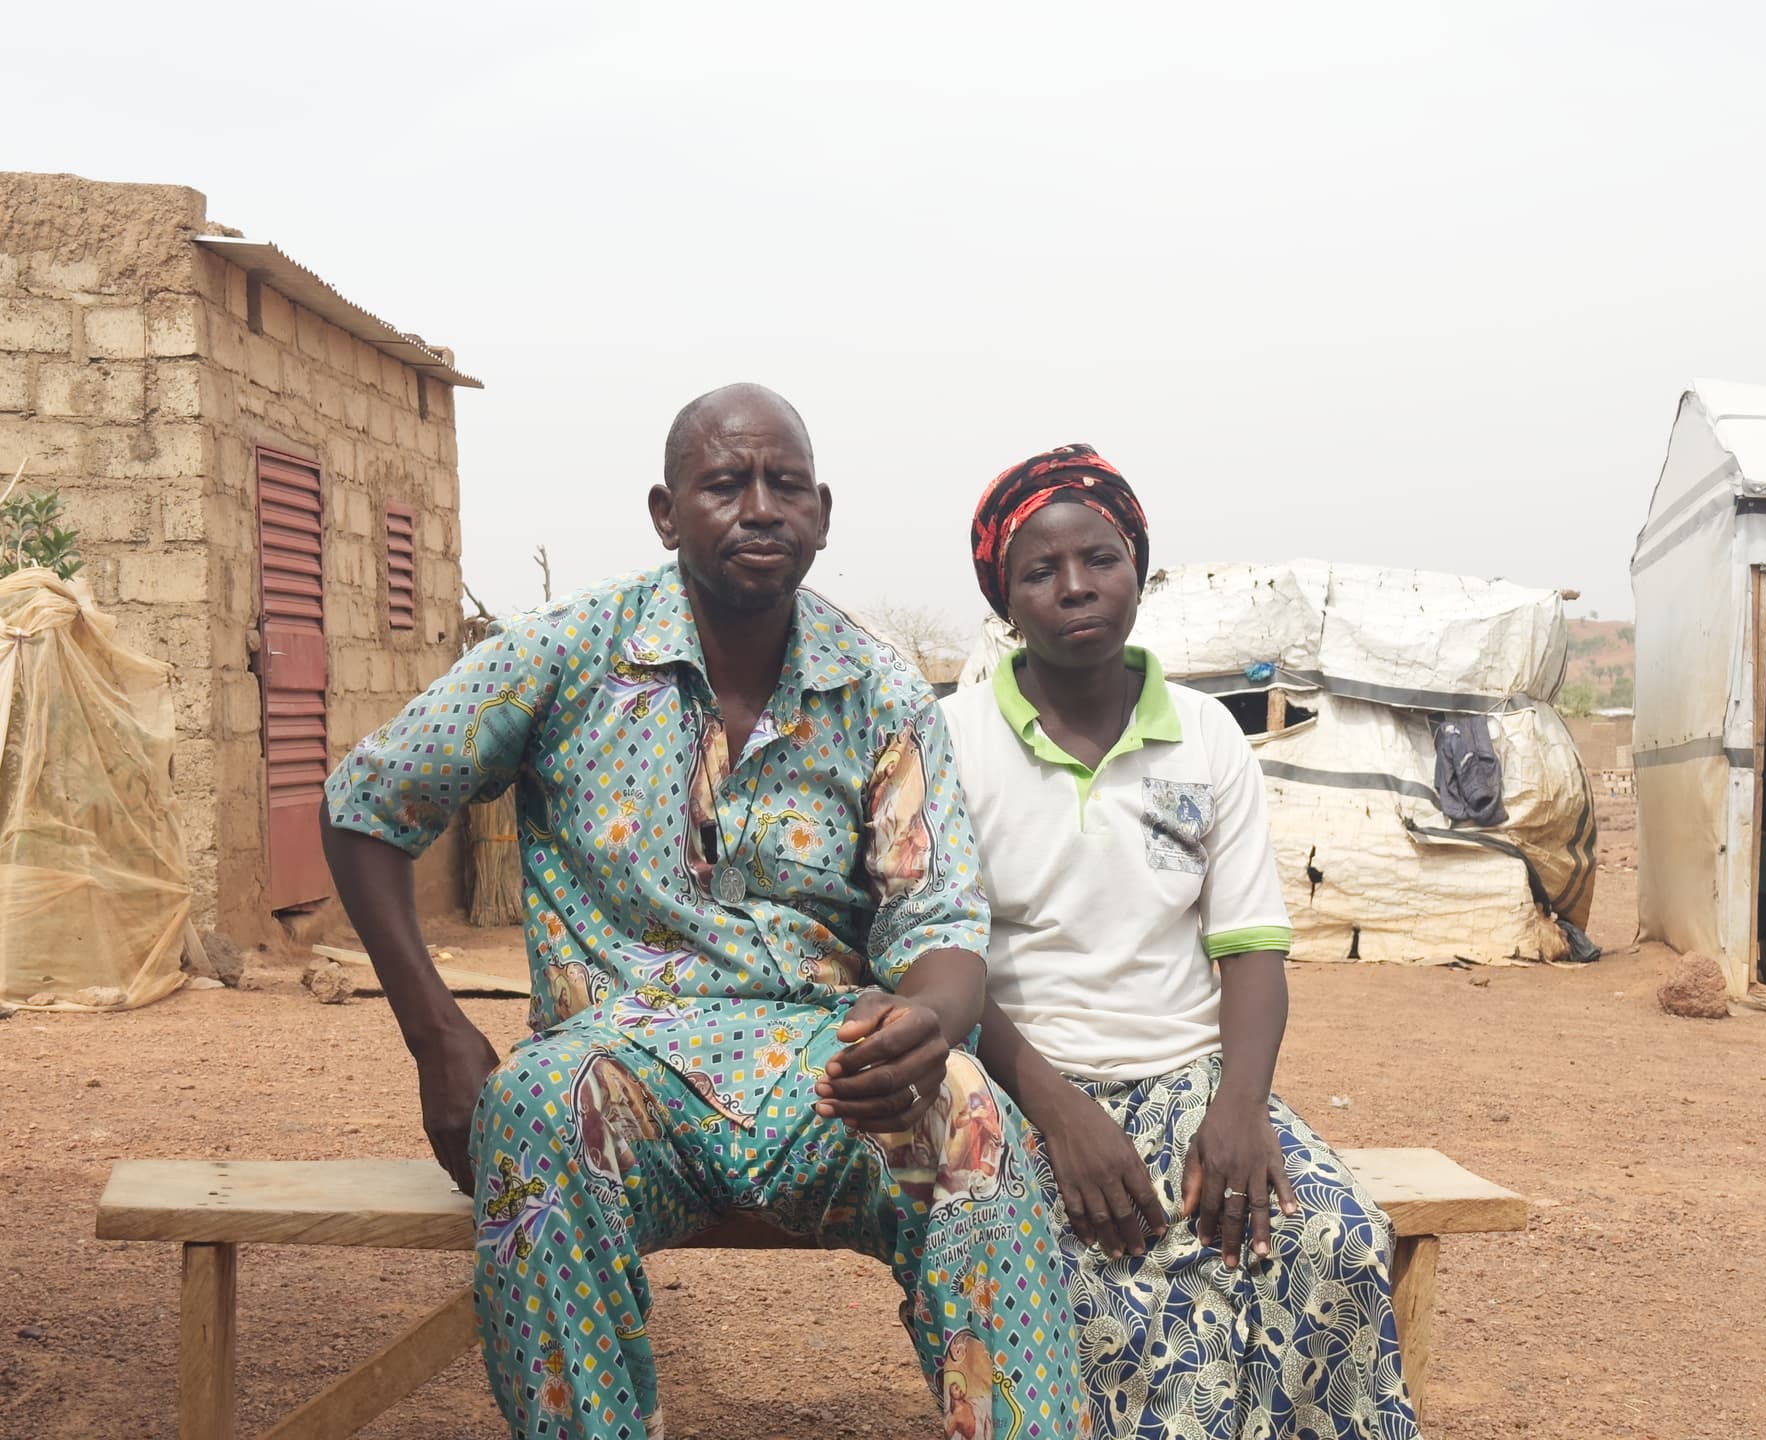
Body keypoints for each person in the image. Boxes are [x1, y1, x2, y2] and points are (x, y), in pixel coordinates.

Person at [320, 385, 1088, 1440]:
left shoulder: (881, 690)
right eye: (726, 484)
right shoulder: (566, 653)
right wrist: (437, 1033)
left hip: (831, 1077)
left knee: (974, 1121)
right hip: (622, 1071)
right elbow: (367, 806)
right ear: (666, 511)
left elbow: (939, 922)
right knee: (536, 1111)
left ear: (822, 513)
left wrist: (929, 1023)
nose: (760, 508)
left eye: (785, 487)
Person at [942, 445, 1421, 1440]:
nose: (1076, 585)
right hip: (1020, 1086)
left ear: (1138, 567)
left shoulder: (1206, 737)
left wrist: (1240, 1109)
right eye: (1040, 570)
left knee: (1329, 1237)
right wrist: (1060, 1116)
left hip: (1189, 1076)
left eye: (1101, 558)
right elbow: (941, 958)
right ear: (1005, 598)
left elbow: (1250, 950)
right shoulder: (949, 739)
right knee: (1066, 1276)